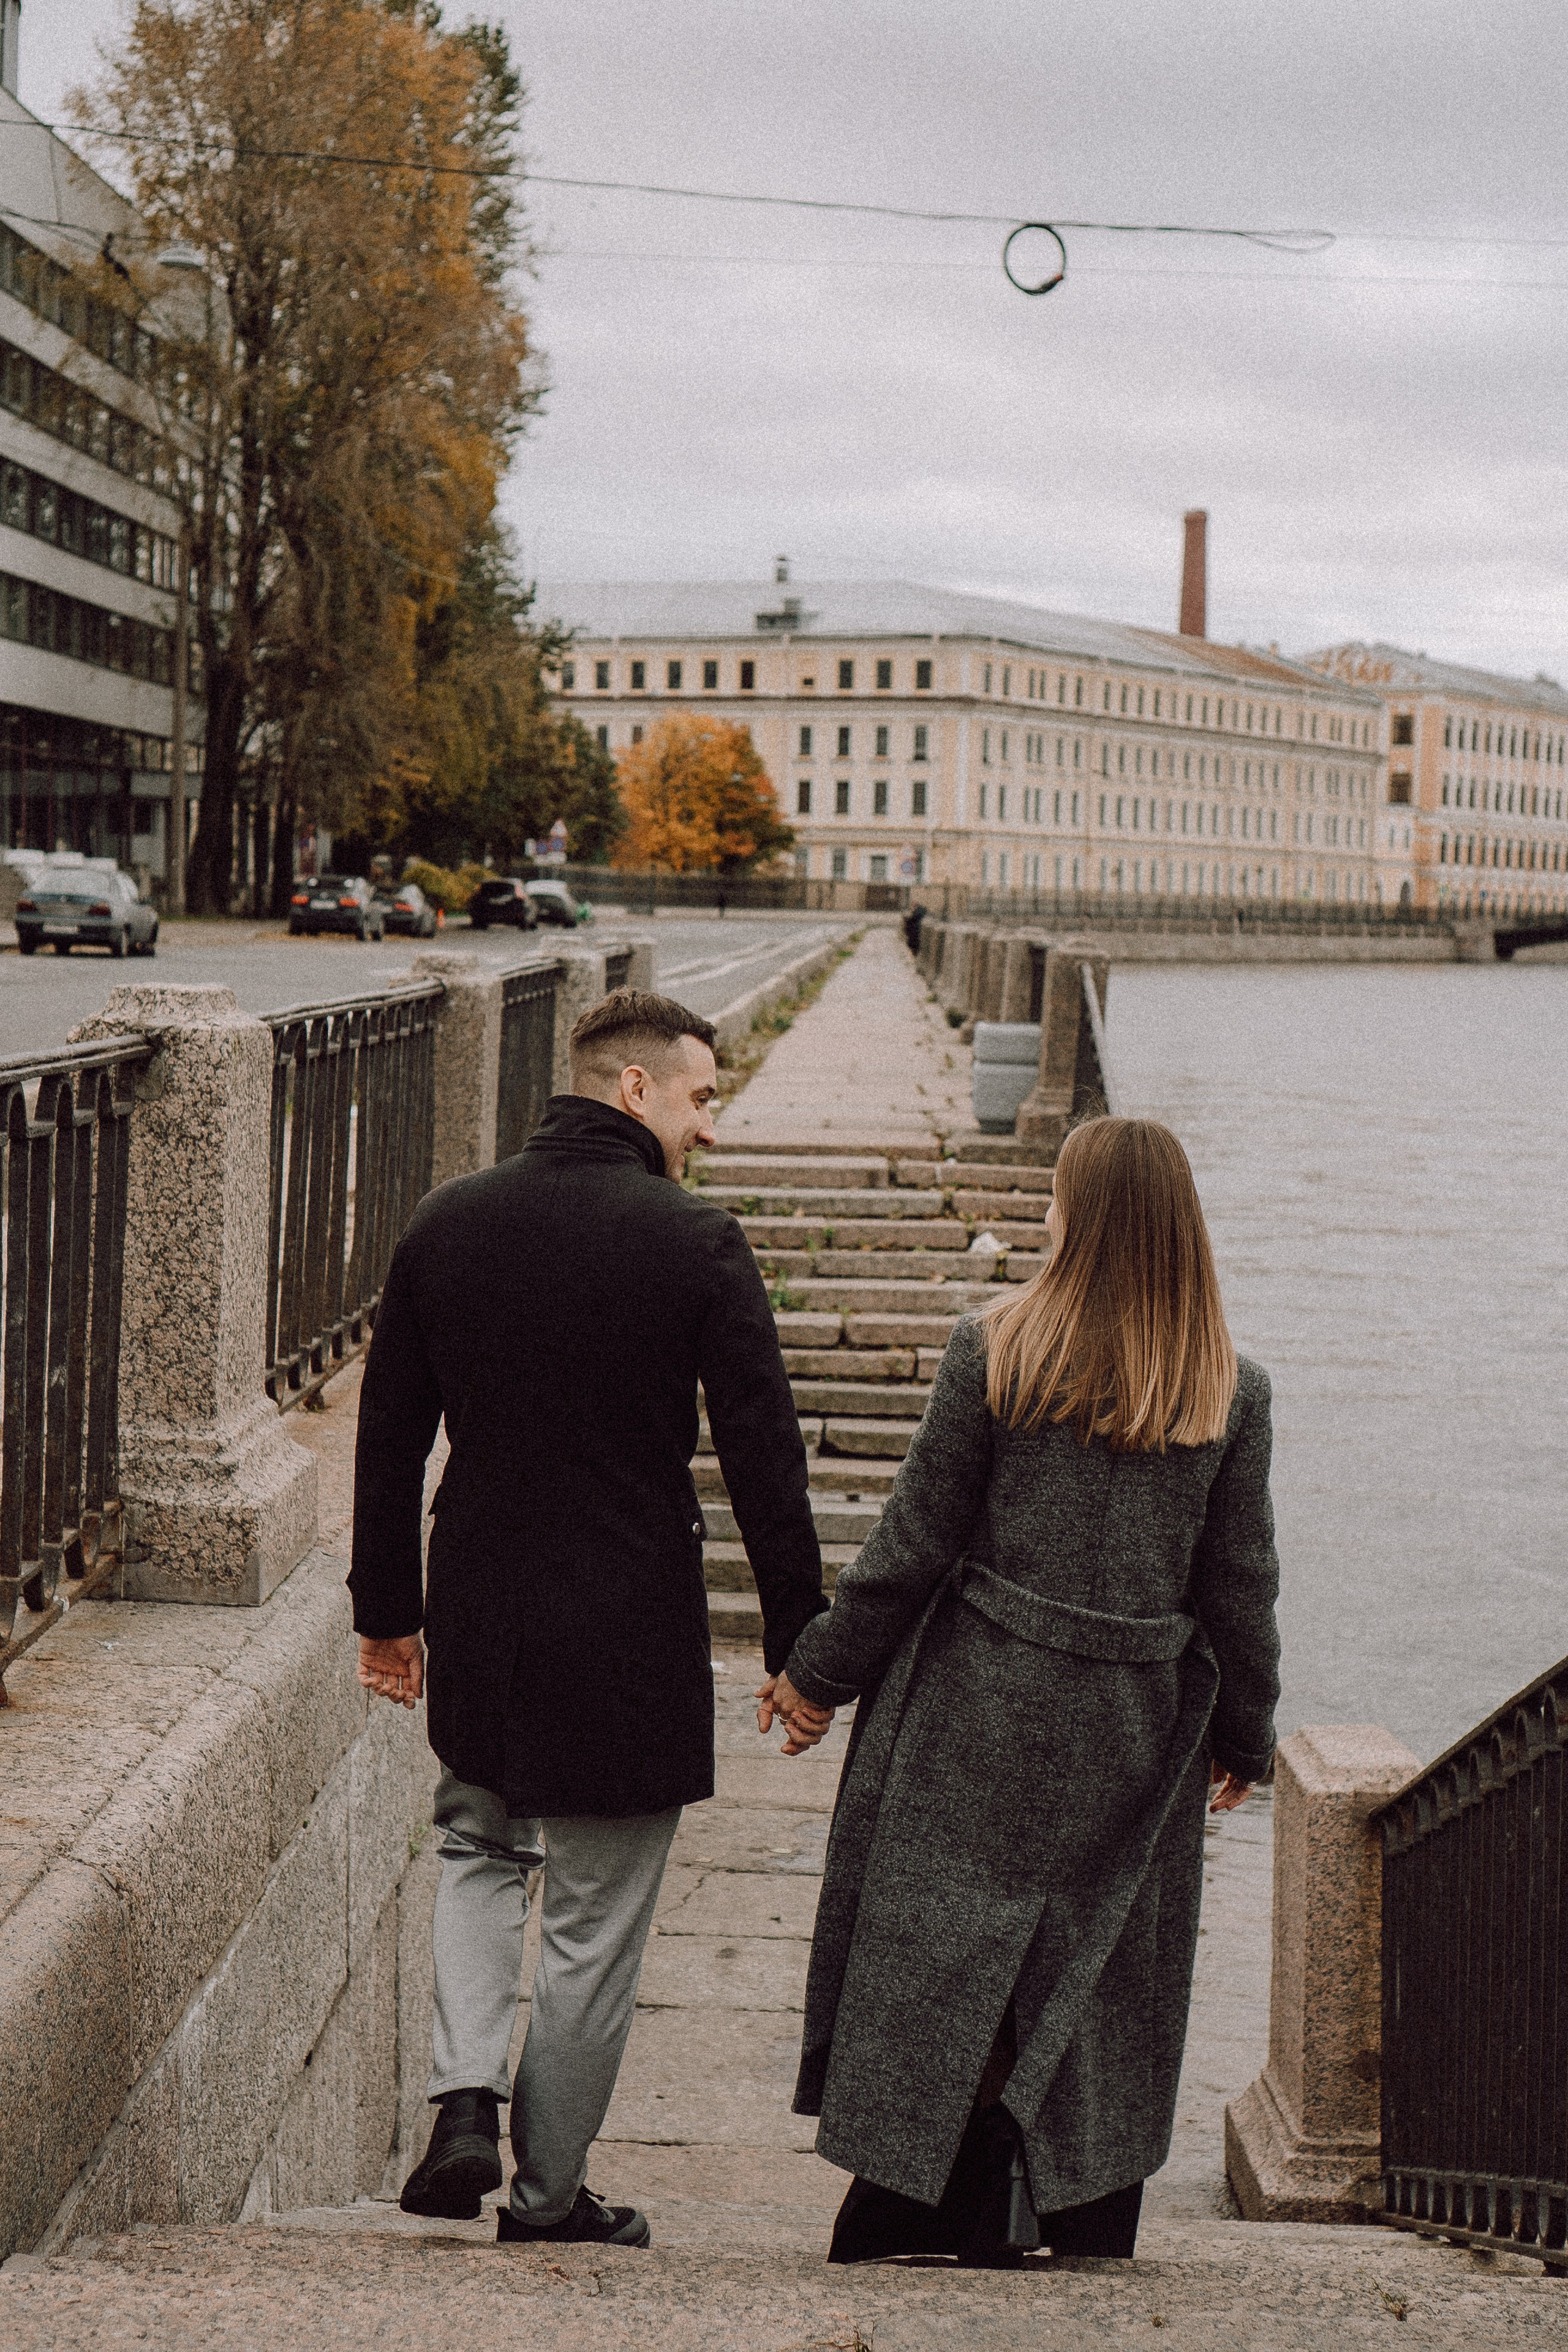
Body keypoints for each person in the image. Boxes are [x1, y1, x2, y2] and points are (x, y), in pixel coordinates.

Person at [350, 989, 826, 2248]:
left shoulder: (448, 1220)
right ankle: (547, 2197)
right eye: (702, 1099)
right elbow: (764, 1456)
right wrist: (800, 1647)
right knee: (592, 1923)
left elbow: (389, 1437)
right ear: (634, 1088)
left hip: (480, 1599)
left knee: (475, 1846)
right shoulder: (697, 1240)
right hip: (628, 1618)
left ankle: (463, 2098)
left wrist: (387, 1614)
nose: (710, 1129)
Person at [760, 1115, 1281, 2266]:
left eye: (1056, 1196)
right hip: (1130, 1727)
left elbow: (913, 1544)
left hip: (977, 1704)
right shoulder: (1228, 1391)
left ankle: (919, 2201)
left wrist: (817, 1674)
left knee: (946, 1951)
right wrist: (1246, 1734)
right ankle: (1072, 2207)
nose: (1046, 1213)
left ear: (1080, 1216)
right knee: (1098, 1969)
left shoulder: (995, 1350)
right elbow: (1242, 1588)